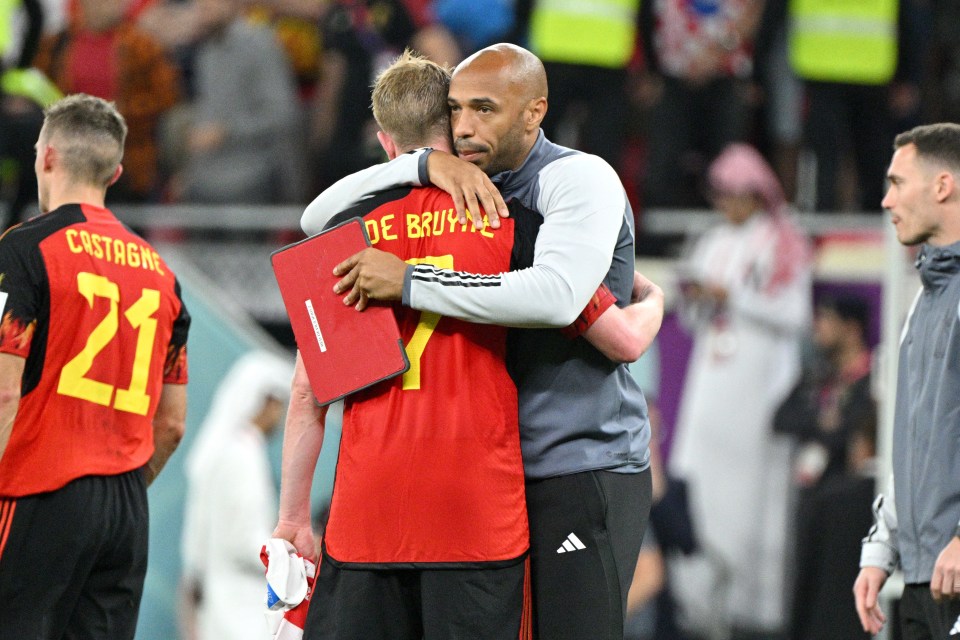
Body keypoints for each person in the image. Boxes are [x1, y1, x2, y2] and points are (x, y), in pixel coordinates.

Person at [275, 49, 663, 639]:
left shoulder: (573, 180)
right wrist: (426, 166)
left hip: (574, 465)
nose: (465, 127)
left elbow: (558, 297)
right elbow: (619, 333)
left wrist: (408, 281)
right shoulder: (496, 210)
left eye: (484, 109)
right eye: (455, 111)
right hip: (488, 486)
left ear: (536, 112)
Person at [0, 93, 190, 639]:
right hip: (126, 509)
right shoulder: (161, 275)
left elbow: (4, 392)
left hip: (39, 491)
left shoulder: (25, 250)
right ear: (117, 171)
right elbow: (173, 423)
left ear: (47, 158)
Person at [667, 143, 812, 638]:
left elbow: (795, 316)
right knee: (702, 489)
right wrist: (699, 298)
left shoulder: (783, 241)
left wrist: (736, 297)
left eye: (733, 194)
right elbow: (694, 315)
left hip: (756, 383)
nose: (725, 204)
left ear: (756, 194)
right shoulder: (711, 241)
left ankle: (753, 610)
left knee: (751, 498)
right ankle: (699, 606)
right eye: (719, 195)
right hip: (712, 377)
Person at [854, 122, 960, 638]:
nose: (885, 200)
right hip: (925, 576)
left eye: (897, 183)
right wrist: (882, 549)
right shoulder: (923, 300)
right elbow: (914, 445)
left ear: (943, 186)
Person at [180, 350, 292, 640]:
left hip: (226, 602)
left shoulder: (232, 451)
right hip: (238, 610)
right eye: (279, 405)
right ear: (265, 402)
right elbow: (243, 541)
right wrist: (290, 558)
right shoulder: (243, 457)